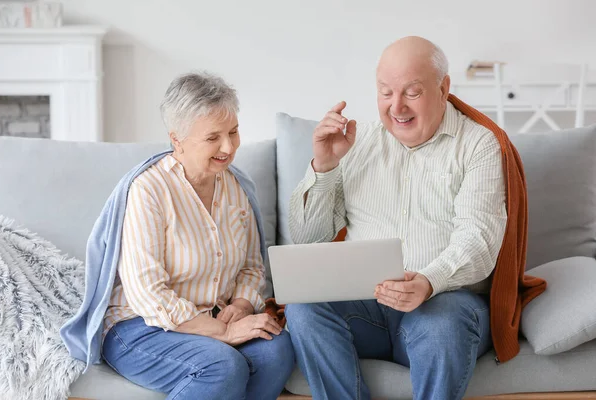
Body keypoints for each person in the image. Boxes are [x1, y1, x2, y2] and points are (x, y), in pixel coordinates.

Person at [284, 36, 540, 400]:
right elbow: (309, 240)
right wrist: (325, 167)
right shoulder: (360, 143)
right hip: (368, 308)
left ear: (443, 87)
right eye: (385, 92)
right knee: (304, 309)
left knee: (440, 325)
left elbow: (479, 240)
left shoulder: (479, 144)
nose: (396, 106)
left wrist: (428, 282)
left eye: (412, 92)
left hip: (444, 303)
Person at [61, 72, 294, 400]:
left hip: (215, 315)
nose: (228, 147)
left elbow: (252, 267)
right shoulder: (149, 191)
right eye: (213, 137)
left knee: (276, 350)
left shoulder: (238, 188)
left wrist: (241, 307)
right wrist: (223, 331)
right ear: (177, 139)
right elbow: (149, 295)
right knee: (222, 366)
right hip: (140, 326)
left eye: (233, 132)